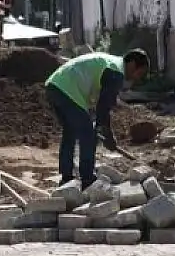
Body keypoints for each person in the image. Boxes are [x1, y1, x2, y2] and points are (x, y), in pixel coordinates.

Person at [45, 49, 150, 189]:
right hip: (67, 89)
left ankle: (66, 178)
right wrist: (108, 135)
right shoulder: (116, 72)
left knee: (70, 133)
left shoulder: (110, 62)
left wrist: (102, 129)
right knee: (88, 134)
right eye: (140, 73)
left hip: (55, 85)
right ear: (132, 64)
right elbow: (104, 107)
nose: (138, 78)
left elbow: (99, 109)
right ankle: (88, 180)